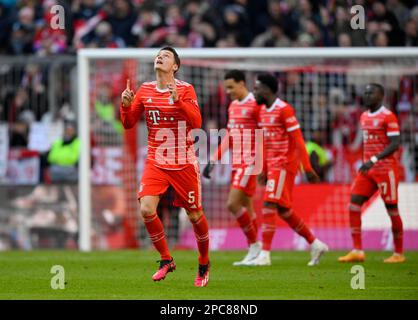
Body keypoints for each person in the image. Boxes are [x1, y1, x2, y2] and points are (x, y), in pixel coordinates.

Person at [120, 46, 210, 286]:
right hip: (156, 160)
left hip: (183, 162)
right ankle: (166, 259)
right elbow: (129, 124)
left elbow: (197, 122)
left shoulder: (185, 89)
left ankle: (203, 262)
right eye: (158, 55)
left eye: (166, 56)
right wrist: (126, 105)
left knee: (194, 214)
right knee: (147, 209)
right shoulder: (145, 89)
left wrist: (179, 101)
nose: (159, 57)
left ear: (175, 66)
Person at [246, 73, 329, 266]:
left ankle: (265, 255)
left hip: (285, 164)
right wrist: (264, 168)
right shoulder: (262, 111)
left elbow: (298, 140)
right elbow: (266, 141)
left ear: (267, 90)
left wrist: (307, 168)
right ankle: (316, 244)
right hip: (273, 165)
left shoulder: (284, 110)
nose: (254, 91)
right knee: (283, 210)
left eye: (257, 88)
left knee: (268, 205)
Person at [339, 84, 405, 263]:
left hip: (385, 170)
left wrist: (374, 159)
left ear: (381, 96)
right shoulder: (364, 116)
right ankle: (357, 250)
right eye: (365, 92)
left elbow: (395, 144)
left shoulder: (388, 116)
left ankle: (398, 253)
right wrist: (368, 161)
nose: (367, 96)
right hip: (368, 170)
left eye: (371, 93)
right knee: (353, 204)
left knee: (391, 209)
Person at [203, 69, 261, 266]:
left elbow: (266, 135)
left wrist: (265, 165)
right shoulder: (233, 106)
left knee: (232, 204)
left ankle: (255, 246)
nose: (228, 91)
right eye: (225, 88)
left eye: (231, 87)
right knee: (248, 208)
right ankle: (256, 250)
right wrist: (214, 158)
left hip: (251, 162)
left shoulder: (255, 104)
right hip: (238, 162)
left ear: (242, 83)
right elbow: (230, 135)